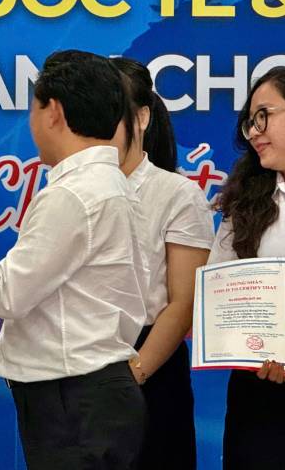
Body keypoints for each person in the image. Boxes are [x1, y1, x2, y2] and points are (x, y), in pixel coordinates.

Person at [0, 50, 148, 469]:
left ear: (53, 111)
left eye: (33, 108)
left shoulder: (73, 194)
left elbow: (8, 294)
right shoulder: (112, 184)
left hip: (74, 403)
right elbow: (68, 305)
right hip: (89, 394)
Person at [111, 57, 214, 470]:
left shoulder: (176, 194)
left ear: (142, 117)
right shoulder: (64, 189)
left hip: (150, 364)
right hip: (81, 363)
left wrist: (132, 375)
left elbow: (182, 302)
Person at [208, 66, 285, 469]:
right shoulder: (245, 201)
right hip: (260, 390)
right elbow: (218, 287)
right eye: (250, 122)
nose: (254, 131)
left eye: (264, 116)